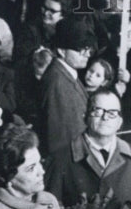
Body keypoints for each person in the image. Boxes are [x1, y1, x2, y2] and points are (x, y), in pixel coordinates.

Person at [39, 18, 96, 155]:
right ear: (61, 51)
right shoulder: (58, 82)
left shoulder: (66, 73)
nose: (87, 54)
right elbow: (62, 139)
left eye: (88, 48)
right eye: (80, 49)